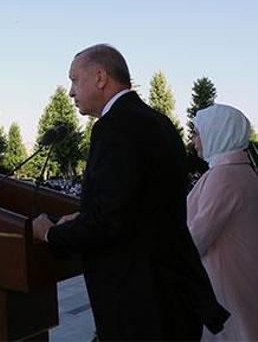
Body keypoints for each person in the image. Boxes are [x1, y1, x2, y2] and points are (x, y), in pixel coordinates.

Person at [32, 44, 229, 340]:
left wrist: (50, 233)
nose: (71, 91)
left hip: (138, 303)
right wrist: (85, 216)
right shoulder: (158, 122)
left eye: (74, 80)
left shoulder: (114, 128)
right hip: (172, 294)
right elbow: (139, 206)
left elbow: (111, 222)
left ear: (100, 77)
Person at [188, 104, 258, 341]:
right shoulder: (239, 171)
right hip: (239, 274)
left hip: (228, 283)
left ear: (218, 132)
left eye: (196, 133)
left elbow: (196, 239)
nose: (193, 142)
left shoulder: (224, 177)